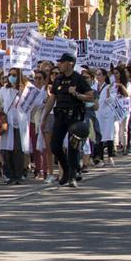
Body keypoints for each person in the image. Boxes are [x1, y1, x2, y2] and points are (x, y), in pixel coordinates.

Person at [48, 52, 97, 186]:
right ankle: (66, 168)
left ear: (70, 64)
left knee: (73, 148)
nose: (60, 64)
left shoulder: (79, 79)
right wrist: (44, 116)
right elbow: (52, 98)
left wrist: (76, 94)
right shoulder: (58, 79)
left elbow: (91, 96)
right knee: (55, 146)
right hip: (60, 116)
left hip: (74, 117)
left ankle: (72, 176)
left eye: (62, 62)